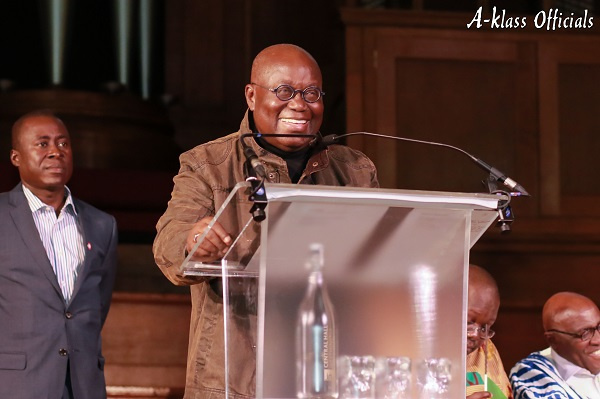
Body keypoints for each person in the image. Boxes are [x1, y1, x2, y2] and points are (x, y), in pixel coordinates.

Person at [153, 43, 378, 398]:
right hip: (234, 379)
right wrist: (194, 241)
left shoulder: (354, 170)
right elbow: (169, 239)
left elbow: (381, 255)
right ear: (251, 96)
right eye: (284, 91)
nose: (300, 104)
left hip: (325, 374)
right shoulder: (208, 163)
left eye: (312, 93)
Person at [0, 110, 118, 399]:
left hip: (83, 384)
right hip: (17, 385)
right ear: (16, 157)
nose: (56, 152)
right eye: (42, 144)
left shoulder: (102, 225)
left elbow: (97, 304)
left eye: (63, 144)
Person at [510, 292, 600, 398]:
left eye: (599, 327)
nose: (597, 340)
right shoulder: (530, 374)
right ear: (553, 340)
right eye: (584, 333)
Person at [466, 264, 513, 399]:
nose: (475, 335)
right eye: (468, 322)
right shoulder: (411, 349)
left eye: (484, 329)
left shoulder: (486, 350)